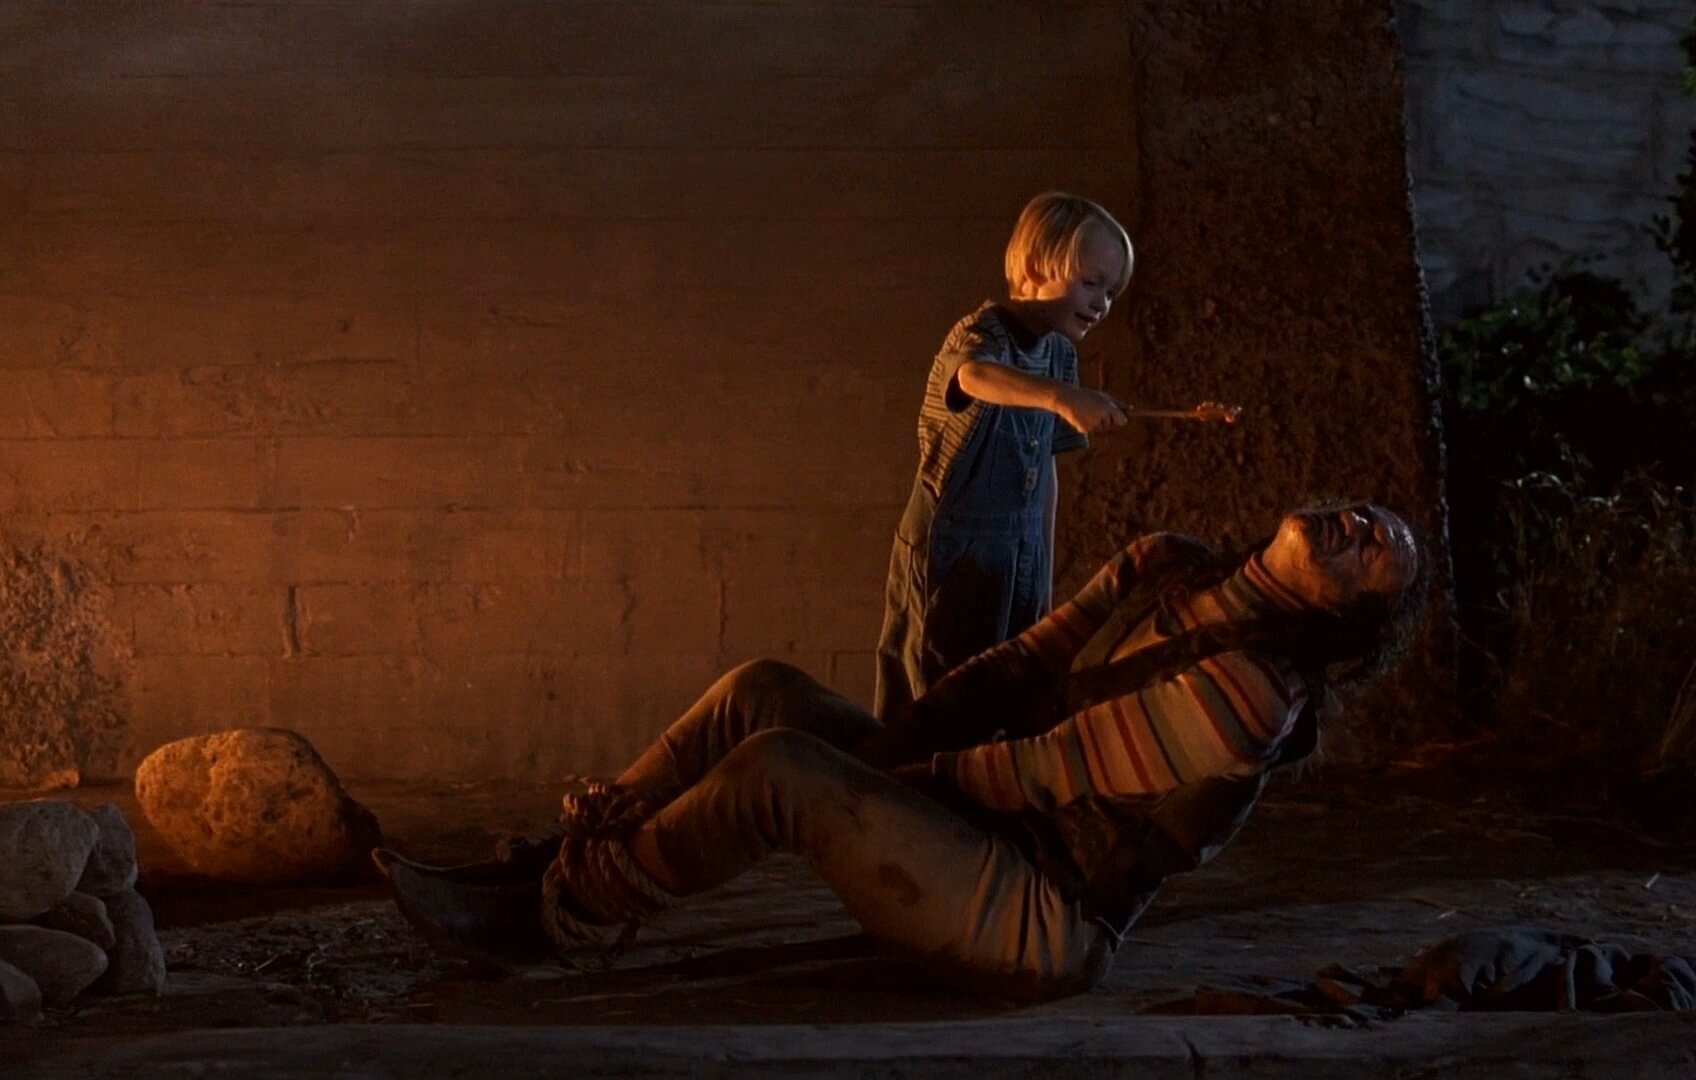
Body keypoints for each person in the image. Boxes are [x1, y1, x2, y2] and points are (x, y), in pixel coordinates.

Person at [378, 501, 1428, 1001]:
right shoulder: (1185, 584)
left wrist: (867, 781)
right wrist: (1112, 583)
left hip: (1037, 914)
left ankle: (557, 917)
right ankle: (557, 858)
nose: (1363, 522)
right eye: (1369, 513)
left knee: (782, 769)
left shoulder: (1259, 692)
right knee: (763, 693)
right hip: (982, 827)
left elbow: (1039, 770)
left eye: (1381, 550)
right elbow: (1015, 674)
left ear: (1350, 618)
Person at [873, 191, 1135, 728]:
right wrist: (1060, 398)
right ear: (1036, 267)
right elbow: (973, 375)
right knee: (938, 699)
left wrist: (1042, 564)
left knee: (1010, 694)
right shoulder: (981, 333)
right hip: (954, 550)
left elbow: (1047, 471)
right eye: (1091, 283)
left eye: (1111, 292)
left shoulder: (1059, 354)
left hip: (1019, 554)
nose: (1102, 304)